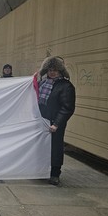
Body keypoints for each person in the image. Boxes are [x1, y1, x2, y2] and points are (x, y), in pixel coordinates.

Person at [36, 56, 75, 186]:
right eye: (50, 69)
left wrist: (57, 123)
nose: (52, 72)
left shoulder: (66, 86)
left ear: (60, 71)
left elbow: (67, 108)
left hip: (54, 123)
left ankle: (55, 173)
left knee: (55, 149)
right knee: (41, 148)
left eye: (55, 70)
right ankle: (42, 171)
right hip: (41, 121)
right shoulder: (42, 83)